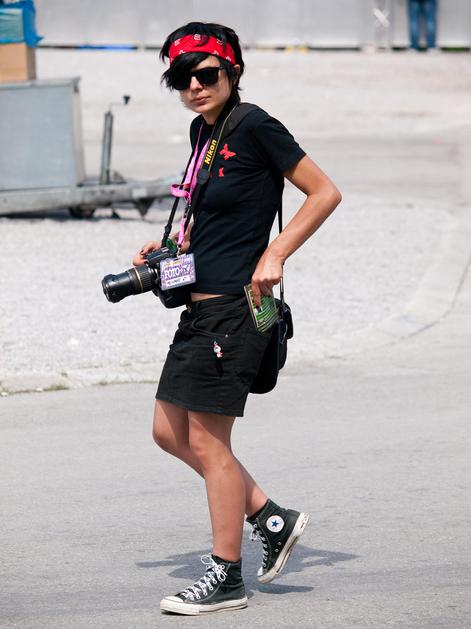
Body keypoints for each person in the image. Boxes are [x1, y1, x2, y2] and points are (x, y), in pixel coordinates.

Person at [133, 21, 341, 615]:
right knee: (168, 432)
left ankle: (226, 575)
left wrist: (276, 254)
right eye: (182, 79)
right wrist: (169, 249)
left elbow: (324, 192)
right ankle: (271, 519)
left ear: (233, 71)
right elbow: (216, 217)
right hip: (200, 306)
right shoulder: (204, 130)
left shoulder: (254, 126)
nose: (194, 87)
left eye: (206, 74)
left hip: (237, 308)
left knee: (207, 440)